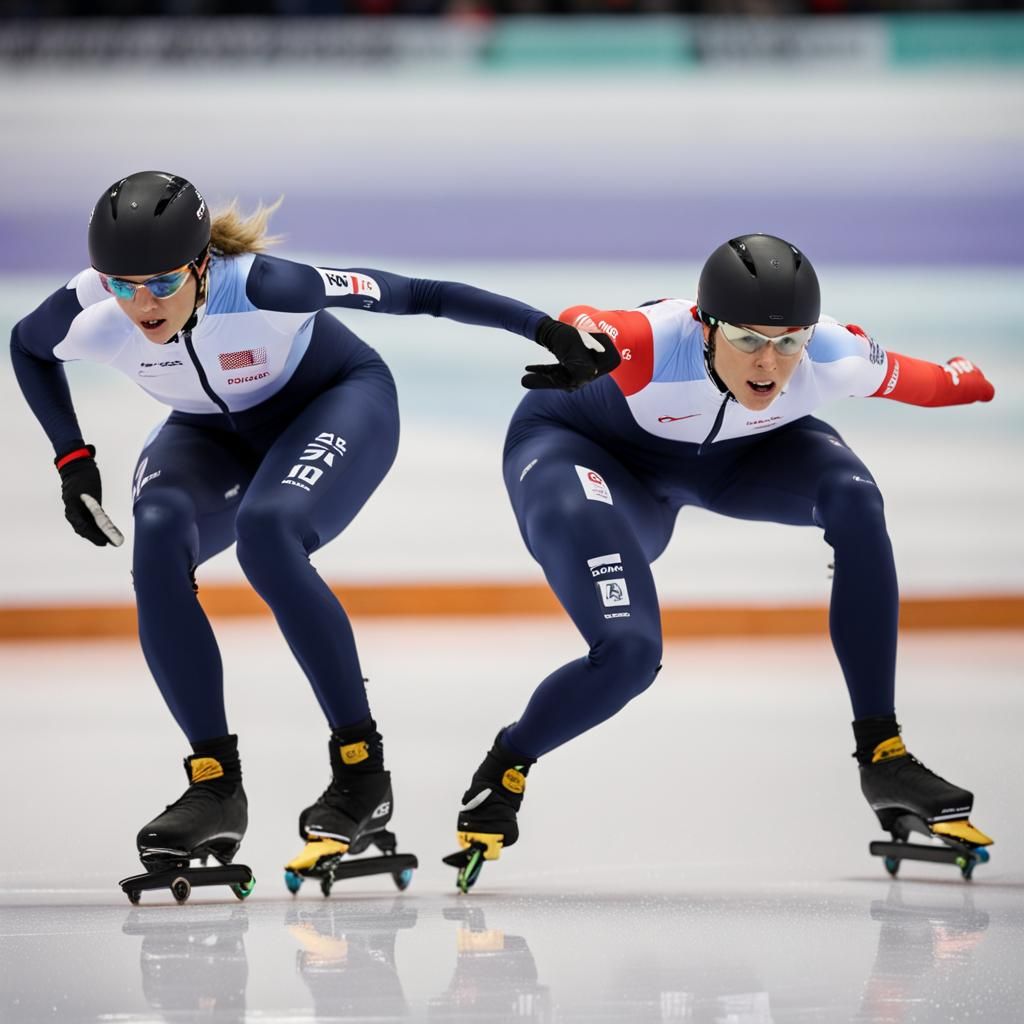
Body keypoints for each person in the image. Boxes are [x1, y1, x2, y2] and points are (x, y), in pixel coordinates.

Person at [10, 170, 619, 890]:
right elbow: (28, 348)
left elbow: (419, 295)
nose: (143, 304)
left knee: (270, 532)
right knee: (158, 530)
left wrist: (549, 330)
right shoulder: (91, 311)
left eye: (164, 282)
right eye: (123, 284)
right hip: (211, 433)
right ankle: (214, 785)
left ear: (203, 264)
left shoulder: (268, 287)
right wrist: (74, 463)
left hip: (337, 403)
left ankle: (361, 771)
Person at [445, 233, 996, 890]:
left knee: (854, 498)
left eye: (788, 341)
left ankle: (883, 752)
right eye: (747, 339)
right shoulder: (651, 341)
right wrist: (582, 337)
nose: (769, 363)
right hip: (587, 456)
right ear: (706, 327)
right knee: (628, 654)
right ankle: (507, 765)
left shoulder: (836, 355)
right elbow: (590, 320)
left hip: (736, 460)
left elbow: (947, 386)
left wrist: (969, 376)